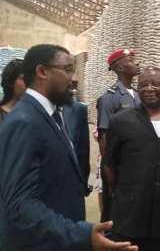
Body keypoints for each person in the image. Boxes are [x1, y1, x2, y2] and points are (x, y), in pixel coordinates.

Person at [0, 44, 137, 251]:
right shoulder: (25, 121)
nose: (75, 79)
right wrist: (80, 233)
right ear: (42, 72)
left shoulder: (52, 114)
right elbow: (19, 204)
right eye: (67, 70)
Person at [104, 67, 160, 251]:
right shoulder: (120, 121)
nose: (149, 88)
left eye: (155, 84)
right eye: (143, 85)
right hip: (129, 217)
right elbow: (110, 164)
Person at [97, 48, 140, 221]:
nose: (136, 63)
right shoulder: (110, 97)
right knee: (112, 212)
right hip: (117, 165)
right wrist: (110, 173)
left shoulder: (138, 95)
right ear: (120, 68)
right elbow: (103, 138)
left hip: (133, 163)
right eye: (131, 60)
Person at [63, 74, 91, 195]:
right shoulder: (34, 111)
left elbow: (83, 149)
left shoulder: (79, 109)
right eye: (66, 70)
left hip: (74, 184)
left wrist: (83, 181)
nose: (75, 80)